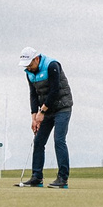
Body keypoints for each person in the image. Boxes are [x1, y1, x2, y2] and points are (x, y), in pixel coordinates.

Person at [17, 48, 72, 188]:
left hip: (62, 107)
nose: (28, 67)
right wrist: (34, 116)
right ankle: (36, 177)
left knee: (59, 140)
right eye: (26, 65)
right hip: (45, 110)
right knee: (39, 141)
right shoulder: (29, 73)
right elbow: (33, 94)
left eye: (30, 64)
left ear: (36, 59)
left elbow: (54, 91)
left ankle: (63, 179)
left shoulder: (52, 66)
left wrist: (42, 111)